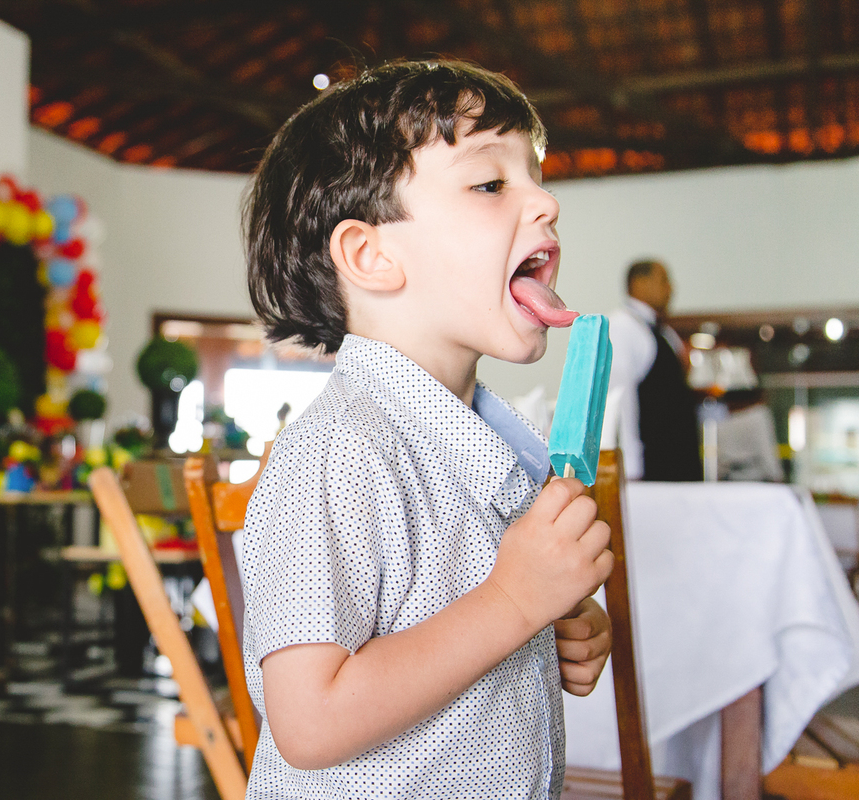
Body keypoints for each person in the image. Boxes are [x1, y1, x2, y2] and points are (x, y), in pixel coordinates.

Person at [241, 60, 614, 799]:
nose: (546, 201)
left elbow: (469, 625)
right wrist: (512, 603)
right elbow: (311, 720)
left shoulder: (490, 446)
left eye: (535, 176)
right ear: (371, 256)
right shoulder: (342, 449)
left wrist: (551, 625)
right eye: (490, 184)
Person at [607, 259, 703, 481]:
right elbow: (621, 399)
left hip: (677, 467)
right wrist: (630, 467)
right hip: (652, 470)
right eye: (664, 280)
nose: (671, 288)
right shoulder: (622, 327)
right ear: (639, 283)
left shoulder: (665, 332)